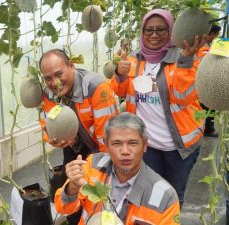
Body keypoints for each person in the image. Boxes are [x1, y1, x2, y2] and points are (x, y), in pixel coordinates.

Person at [111, 9, 206, 207]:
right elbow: (121, 91)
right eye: (149, 30)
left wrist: (186, 60)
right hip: (148, 145)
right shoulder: (134, 60)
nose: (154, 35)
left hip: (179, 148)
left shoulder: (185, 58)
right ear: (142, 32)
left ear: (171, 32)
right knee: (148, 194)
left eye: (161, 30)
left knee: (173, 196)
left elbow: (184, 97)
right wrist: (119, 74)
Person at [55, 112, 180, 225]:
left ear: (145, 145)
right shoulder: (92, 165)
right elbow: (63, 208)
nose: (125, 151)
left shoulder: (165, 197)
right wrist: (73, 186)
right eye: (116, 143)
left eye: (133, 143)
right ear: (106, 145)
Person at [40, 49, 117, 224]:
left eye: (59, 74)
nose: (55, 82)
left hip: (100, 148)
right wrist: (53, 139)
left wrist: (101, 171)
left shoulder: (96, 88)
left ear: (71, 66)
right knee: (70, 192)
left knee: (97, 197)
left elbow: (109, 138)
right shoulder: (49, 93)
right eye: (48, 78)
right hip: (74, 148)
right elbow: (47, 125)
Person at [197, 24, 221, 137]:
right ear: (210, 34)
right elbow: (203, 63)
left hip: (206, 80)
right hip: (204, 80)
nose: (215, 37)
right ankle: (208, 129)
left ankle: (206, 127)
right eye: (215, 35)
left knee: (207, 105)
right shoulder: (203, 47)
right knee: (207, 105)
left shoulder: (206, 44)